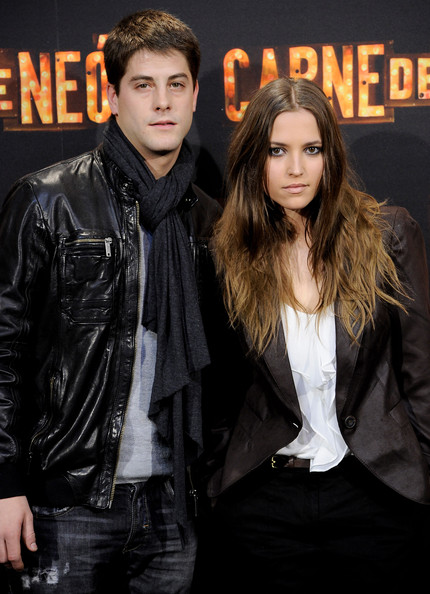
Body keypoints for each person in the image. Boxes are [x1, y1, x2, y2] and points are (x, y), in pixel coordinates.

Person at [0, 9, 221, 593]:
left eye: (176, 84)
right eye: (143, 85)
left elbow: (223, 369)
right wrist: (4, 484)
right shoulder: (46, 200)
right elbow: (4, 352)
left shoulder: (208, 220)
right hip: (67, 503)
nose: (162, 102)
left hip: (173, 505)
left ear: (195, 96)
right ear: (112, 95)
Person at [201, 77, 430, 593]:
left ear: (331, 156)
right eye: (277, 151)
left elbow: (421, 374)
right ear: (253, 159)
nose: (296, 169)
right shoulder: (228, 253)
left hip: (375, 491)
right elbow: (219, 387)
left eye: (312, 149)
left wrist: (422, 476)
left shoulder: (388, 235)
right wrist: (218, 479)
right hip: (267, 502)